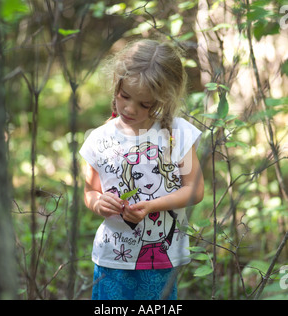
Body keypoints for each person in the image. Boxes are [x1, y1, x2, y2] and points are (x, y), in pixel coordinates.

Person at [79, 39, 204, 300]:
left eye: (144, 104)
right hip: (112, 257)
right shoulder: (99, 140)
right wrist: (98, 203)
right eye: (124, 96)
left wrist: (152, 205)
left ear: (163, 99)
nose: (129, 108)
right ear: (116, 85)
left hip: (162, 257)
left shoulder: (177, 133)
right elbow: (90, 191)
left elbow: (195, 189)